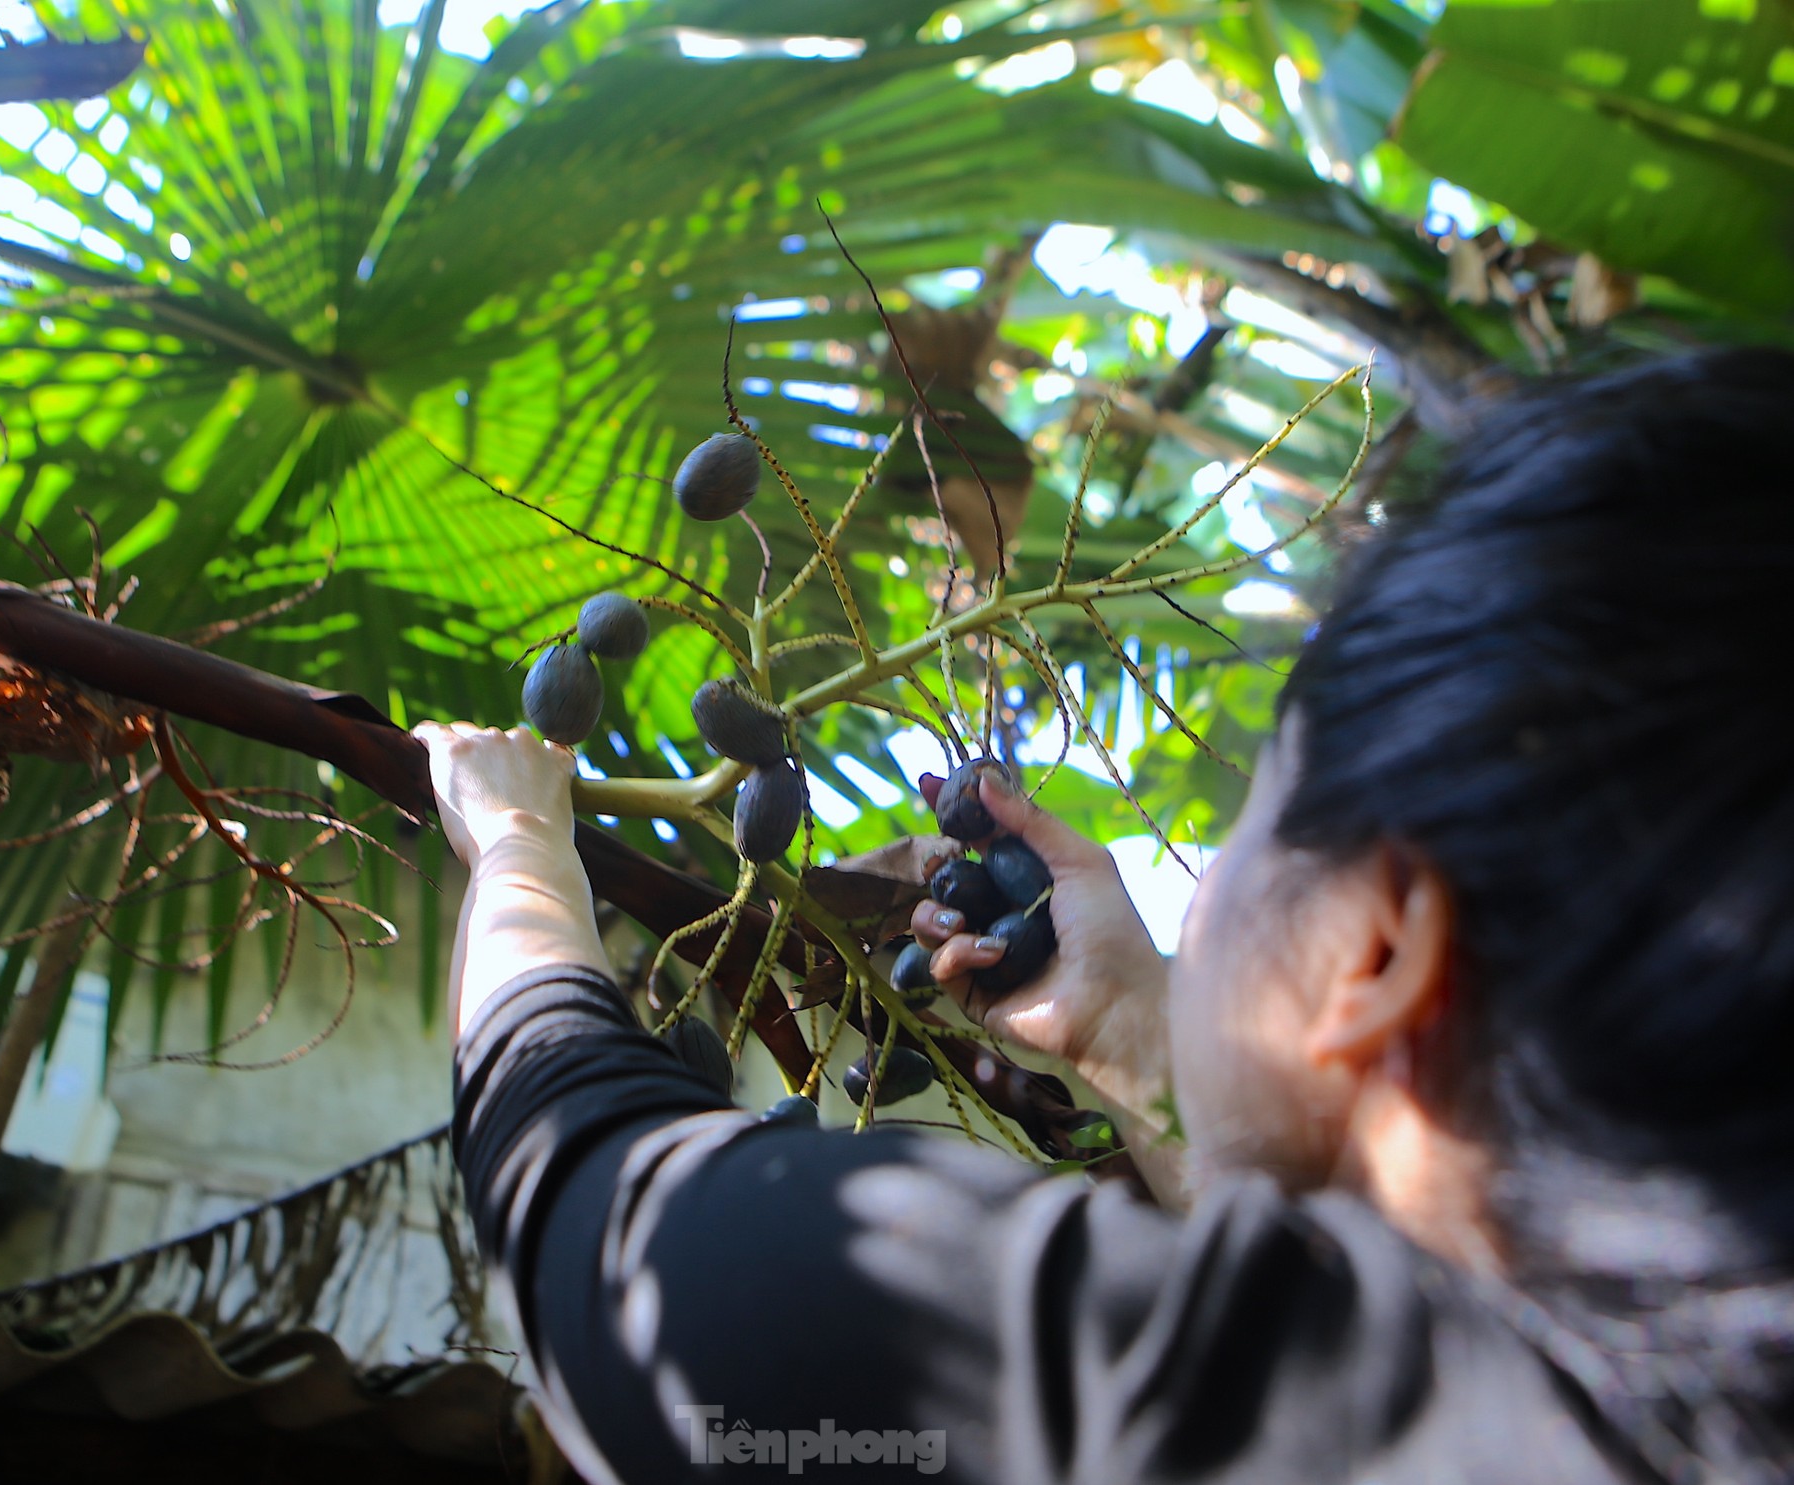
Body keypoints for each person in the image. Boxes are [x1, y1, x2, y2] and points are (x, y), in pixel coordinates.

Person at [418, 348, 1794, 1484]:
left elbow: (590, 1213)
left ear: (1372, 951)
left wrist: (522, 843)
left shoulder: (1203, 1398)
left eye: (1266, 796)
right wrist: (1137, 1041)